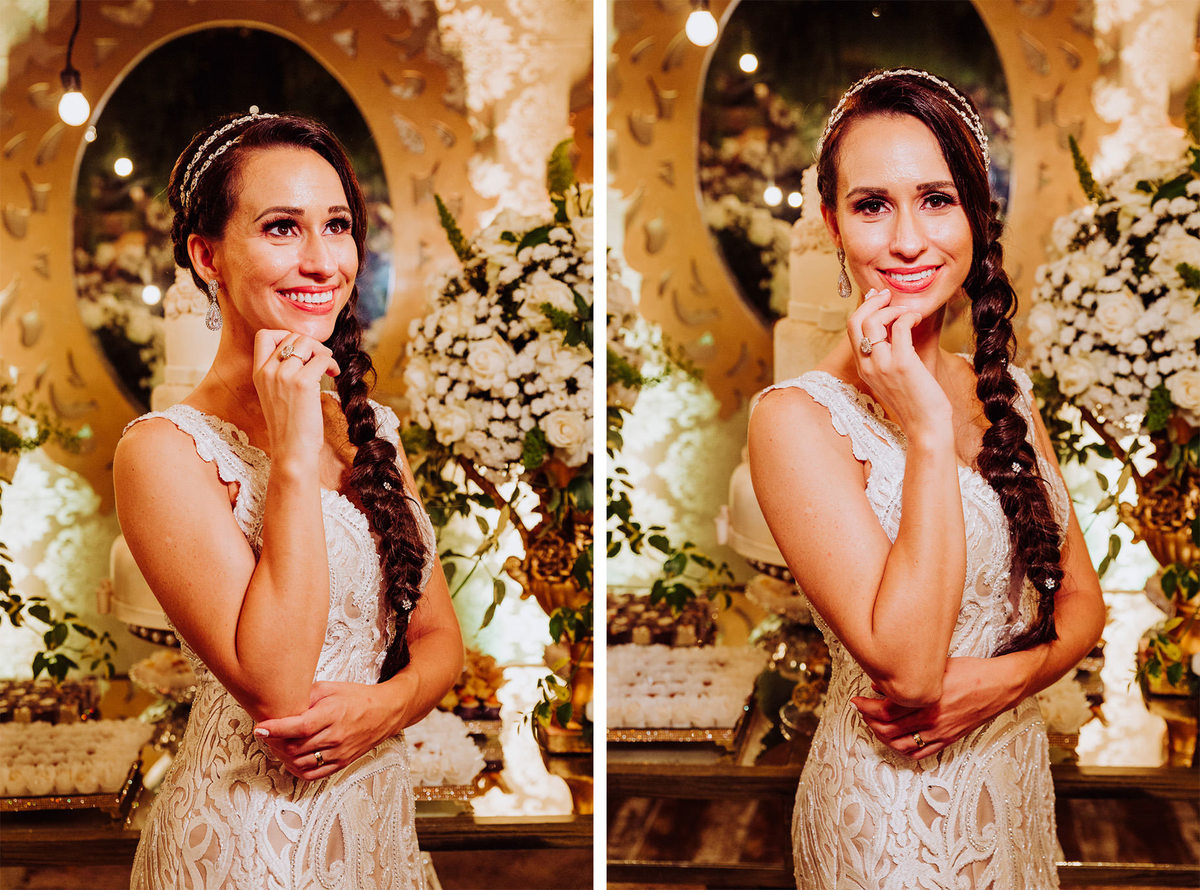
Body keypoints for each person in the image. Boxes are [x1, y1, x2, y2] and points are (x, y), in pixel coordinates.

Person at [748, 70, 1106, 889]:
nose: (909, 239)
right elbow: (908, 669)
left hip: (1013, 785)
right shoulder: (794, 420)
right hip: (891, 822)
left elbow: (1084, 605)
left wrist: (1005, 681)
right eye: (873, 205)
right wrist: (927, 426)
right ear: (834, 226)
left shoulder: (1006, 391)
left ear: (978, 215)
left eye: (936, 199)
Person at [115, 111, 463, 889]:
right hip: (247, 845)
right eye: (281, 228)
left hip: (377, 834)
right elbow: (276, 683)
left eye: (335, 226)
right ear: (207, 255)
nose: (320, 261)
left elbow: (442, 638)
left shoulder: (375, 429)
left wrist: (389, 704)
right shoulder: (163, 452)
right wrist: (296, 451)